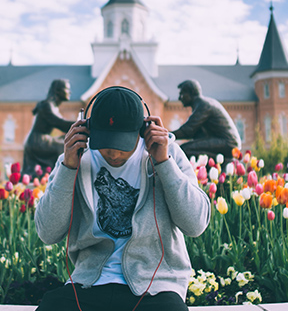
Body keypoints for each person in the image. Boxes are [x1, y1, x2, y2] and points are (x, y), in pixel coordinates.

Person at [35, 86, 210, 311]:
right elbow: (47, 233)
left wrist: (164, 163)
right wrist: (68, 168)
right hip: (89, 284)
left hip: (154, 287)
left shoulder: (168, 153)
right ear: (87, 129)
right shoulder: (75, 156)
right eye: (106, 144)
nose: (114, 154)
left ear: (144, 129)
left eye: (123, 145)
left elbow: (195, 224)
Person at [170, 80, 241, 159]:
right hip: (225, 142)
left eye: (182, 94)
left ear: (191, 92)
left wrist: (165, 136)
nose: (179, 98)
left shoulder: (204, 105)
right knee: (189, 147)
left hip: (228, 143)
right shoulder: (201, 104)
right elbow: (195, 133)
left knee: (184, 150)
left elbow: (187, 131)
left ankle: (217, 163)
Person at [22, 79, 75, 175]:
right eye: (67, 89)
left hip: (43, 139)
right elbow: (60, 123)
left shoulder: (53, 106)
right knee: (64, 146)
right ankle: (62, 176)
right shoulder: (47, 105)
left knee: (66, 140)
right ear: (58, 91)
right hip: (37, 141)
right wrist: (82, 124)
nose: (69, 92)